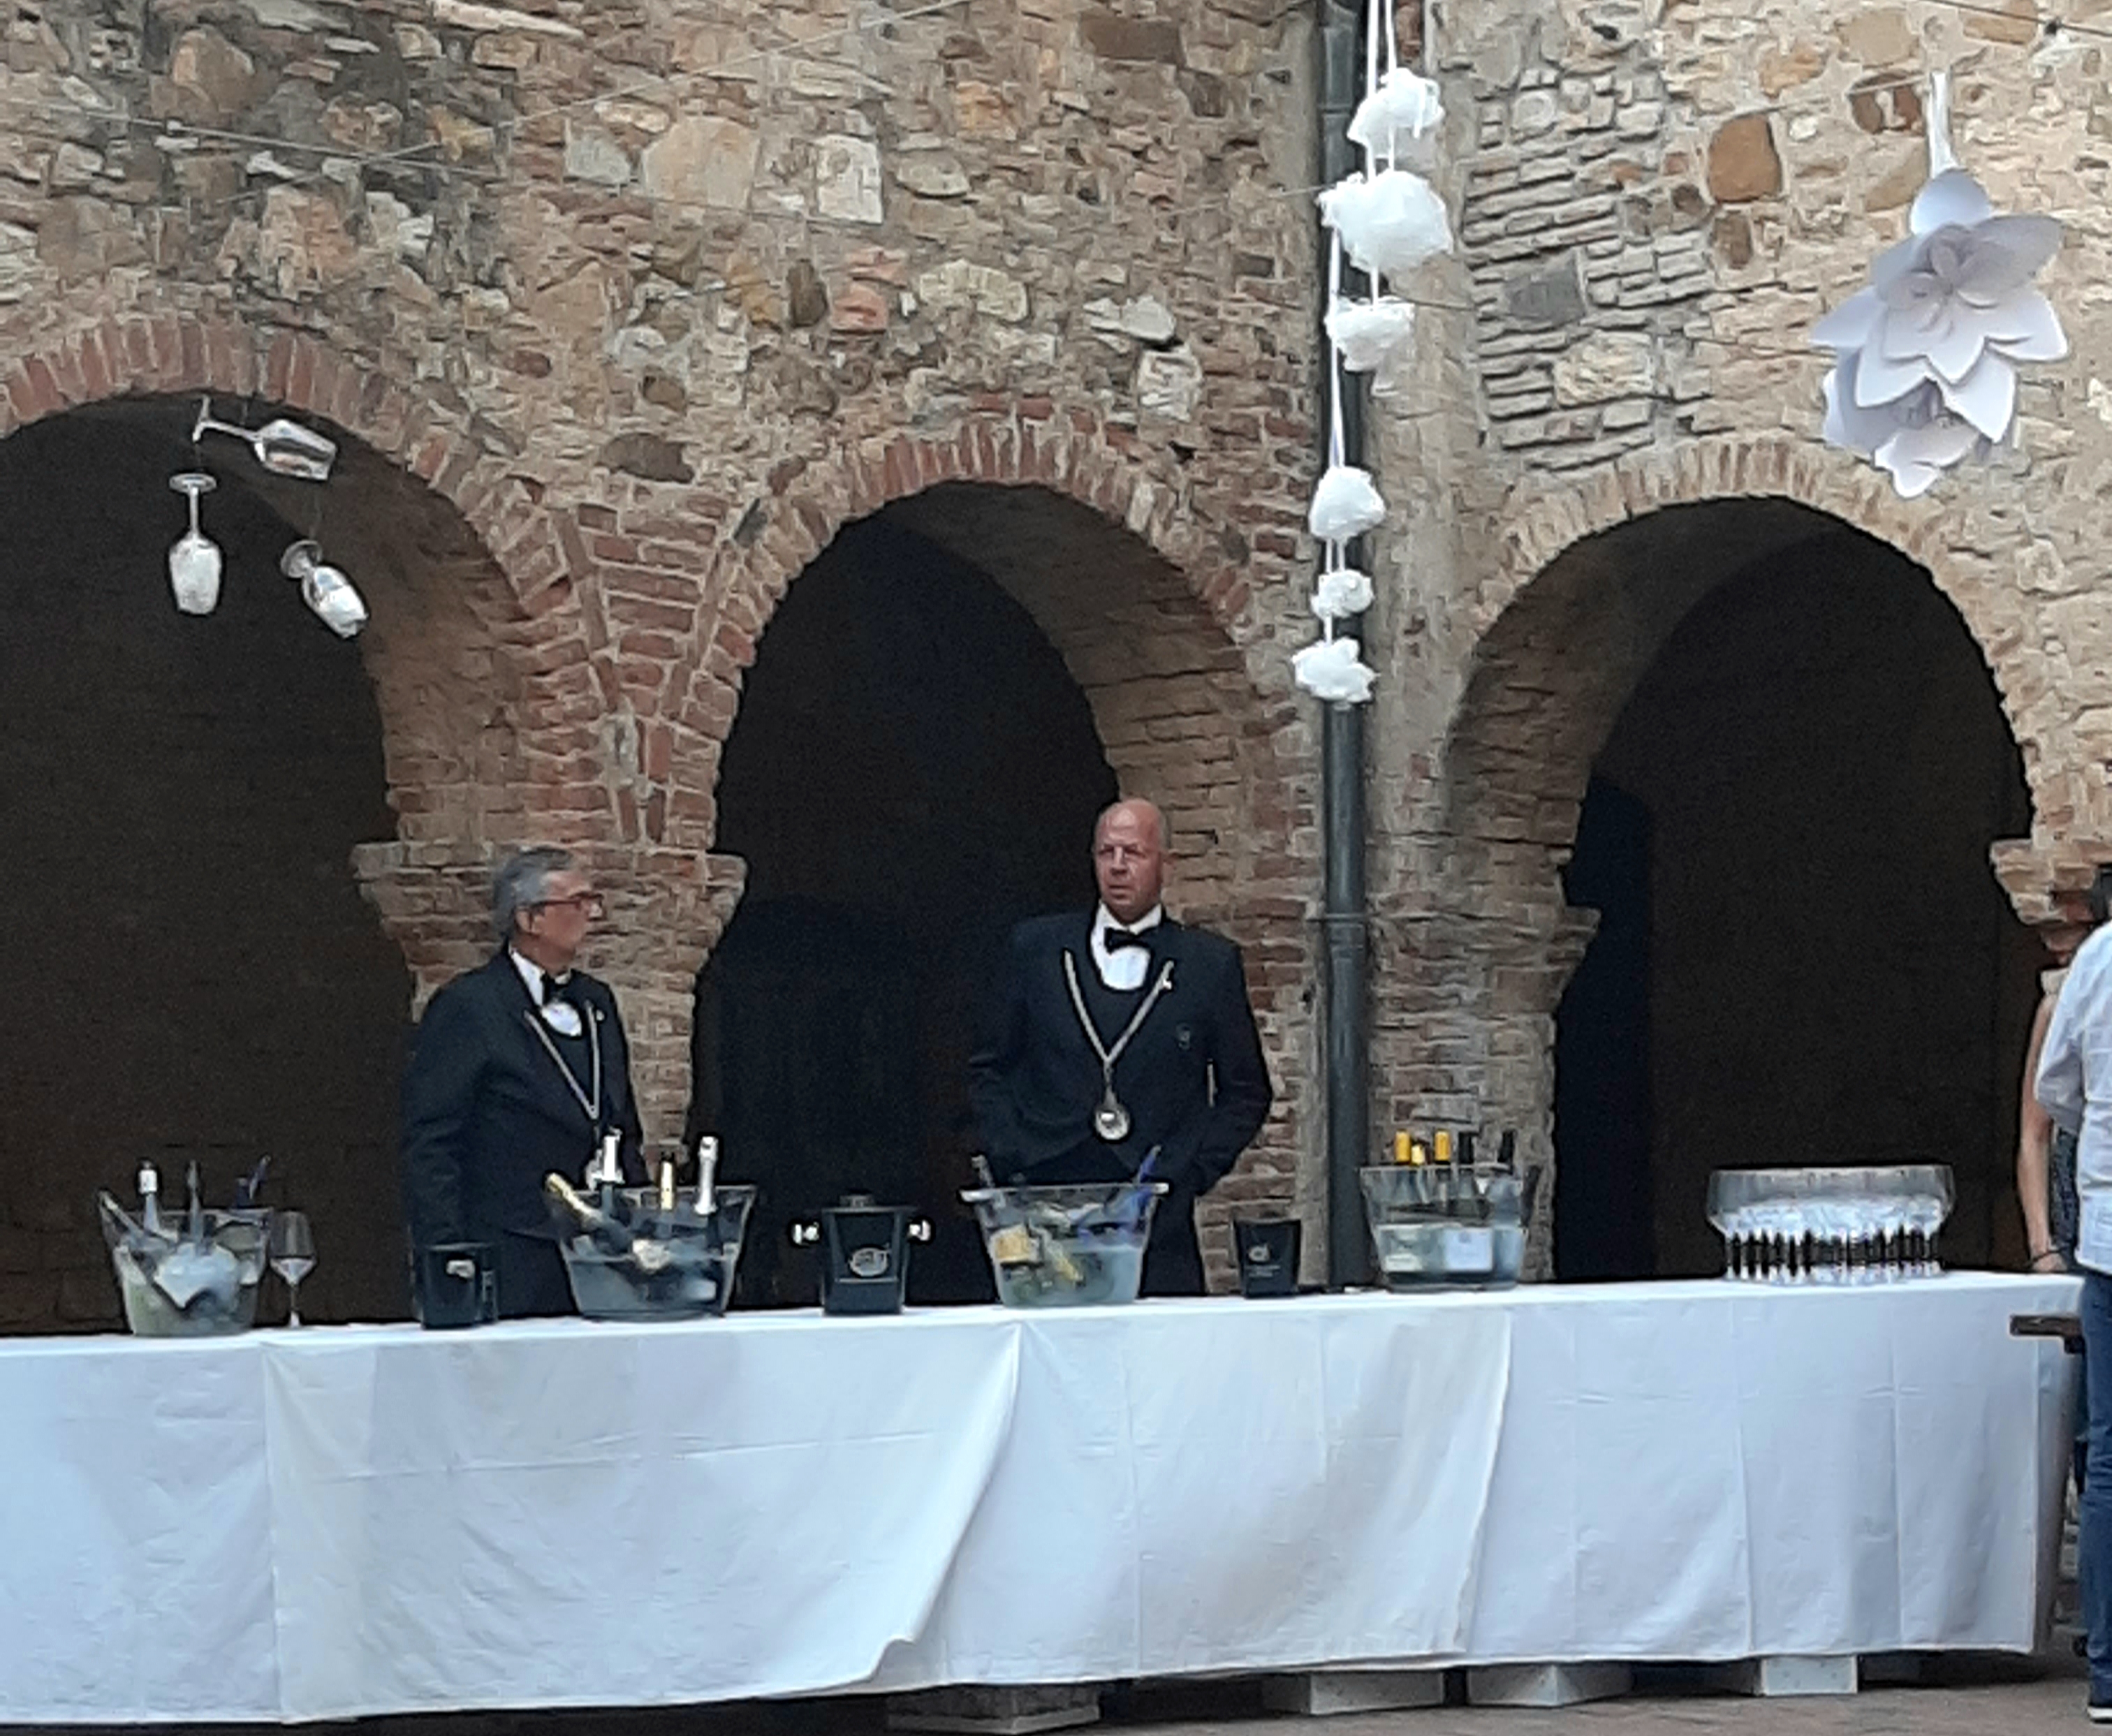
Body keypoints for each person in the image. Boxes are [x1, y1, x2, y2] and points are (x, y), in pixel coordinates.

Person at [967, 797, 1274, 1295]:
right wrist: (1013, 1152)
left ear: (1166, 864)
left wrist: (1189, 1172)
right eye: (1106, 852)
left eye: (1133, 853)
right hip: (1046, 1201)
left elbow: (1246, 1091)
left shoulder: (1208, 965)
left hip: (1157, 1216)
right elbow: (988, 1066)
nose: (1117, 866)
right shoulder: (1035, 950)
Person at [400, 846, 645, 1318]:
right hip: (510, 1249)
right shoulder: (471, 1006)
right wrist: (448, 1253)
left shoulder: (597, 1001)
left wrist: (636, 1227)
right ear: (529, 918)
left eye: (593, 900)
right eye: (577, 902)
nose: (592, 914)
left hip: (601, 1248)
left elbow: (621, 1118)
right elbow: (433, 1142)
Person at [2035, 883, 2112, 1722]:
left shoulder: (2098, 962)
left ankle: (2110, 1671)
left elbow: (2056, 1090)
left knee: (2109, 1458)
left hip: (2110, 1240)